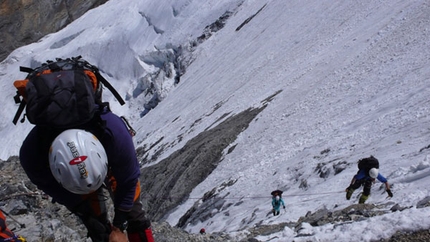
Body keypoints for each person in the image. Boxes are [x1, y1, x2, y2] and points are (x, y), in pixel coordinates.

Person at [19, 108, 154, 242]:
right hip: (57, 165)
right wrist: (88, 216)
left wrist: (119, 227)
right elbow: (66, 196)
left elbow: (128, 181)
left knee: (133, 214)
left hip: (105, 141)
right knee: (96, 224)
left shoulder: (114, 133)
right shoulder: (32, 158)